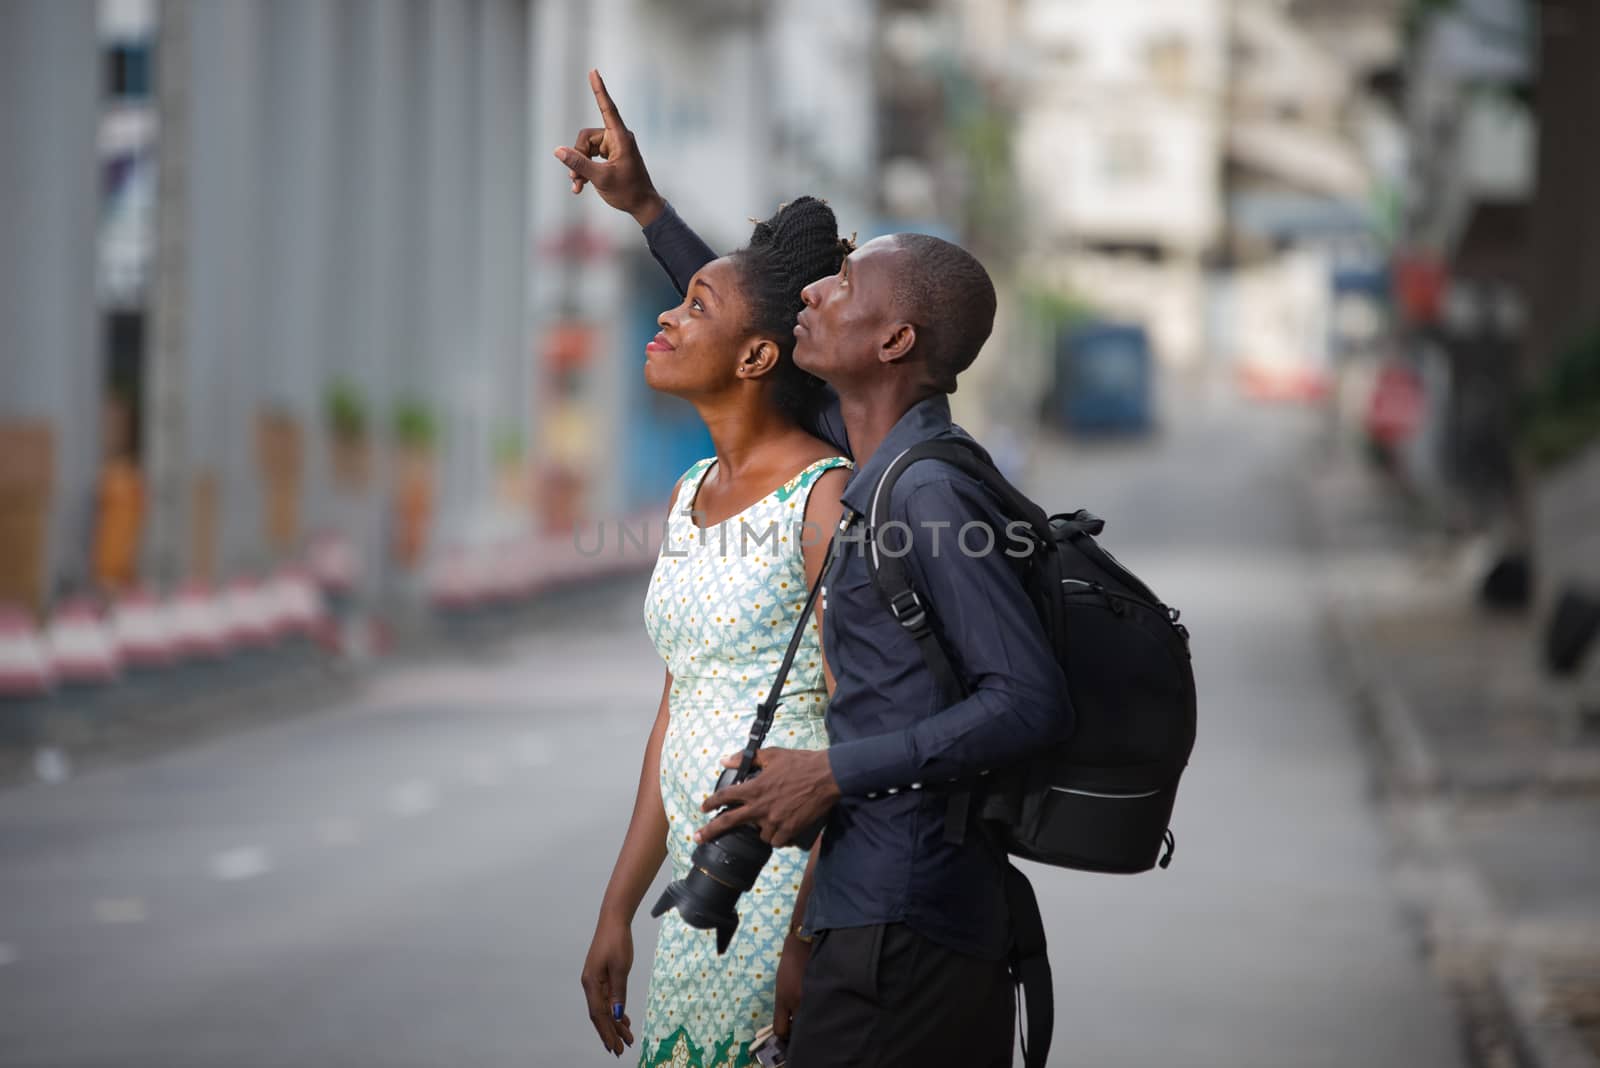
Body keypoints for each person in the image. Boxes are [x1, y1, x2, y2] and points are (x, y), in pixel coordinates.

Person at [558, 71, 1072, 1067]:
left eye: (841, 288)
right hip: (854, 912)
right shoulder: (867, 441)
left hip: (905, 923)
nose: (816, 293)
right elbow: (740, 323)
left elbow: (1028, 703)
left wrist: (834, 774)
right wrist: (649, 208)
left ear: (893, 340)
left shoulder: (919, 489)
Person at [572, 81, 854, 1068]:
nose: (666, 315)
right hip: (701, 897)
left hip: (782, 898)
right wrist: (616, 910)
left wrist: (807, 941)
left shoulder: (825, 501)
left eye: (695, 306)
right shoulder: (693, 487)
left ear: (757, 357)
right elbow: (678, 707)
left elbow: (864, 736)